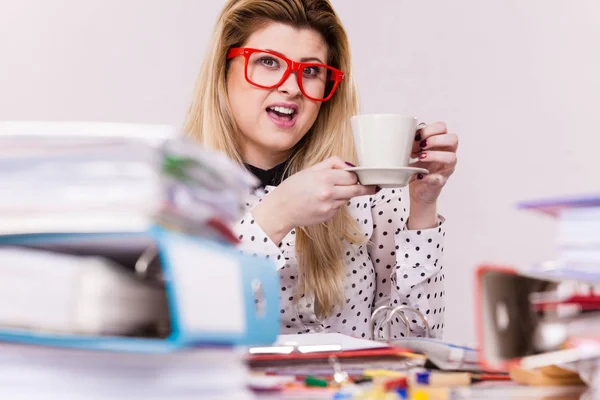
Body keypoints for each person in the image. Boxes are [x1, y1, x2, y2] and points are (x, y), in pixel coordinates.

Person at [185, 0, 458, 340]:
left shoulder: (367, 197)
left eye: (311, 71)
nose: (291, 86)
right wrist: (275, 215)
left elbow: (415, 347)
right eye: (268, 62)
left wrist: (423, 206)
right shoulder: (173, 192)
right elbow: (181, 322)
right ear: (224, 70)